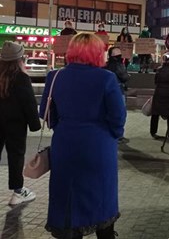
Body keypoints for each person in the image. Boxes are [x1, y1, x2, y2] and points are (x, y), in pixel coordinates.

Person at [39, 33, 127, 239]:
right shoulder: (106, 78)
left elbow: (45, 112)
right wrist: (113, 135)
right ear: (97, 53)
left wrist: (62, 127)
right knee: (101, 195)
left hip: (65, 144)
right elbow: (118, 116)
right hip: (99, 146)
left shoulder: (55, 76)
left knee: (67, 194)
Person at [0, 42, 40, 206]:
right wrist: (35, 124)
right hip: (15, 125)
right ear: (19, 58)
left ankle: (18, 190)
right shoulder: (21, 78)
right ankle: (18, 191)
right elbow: (29, 103)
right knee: (16, 156)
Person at [151, 55, 169, 139]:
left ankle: (153, 132)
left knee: (155, 113)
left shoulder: (159, 69)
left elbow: (155, 81)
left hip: (159, 91)